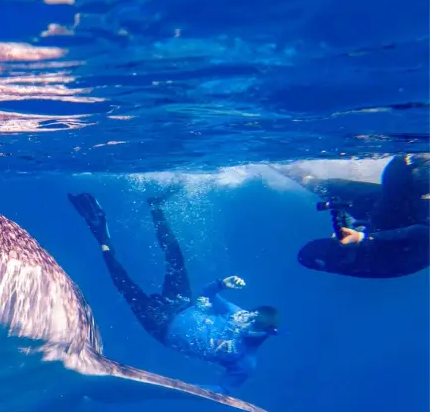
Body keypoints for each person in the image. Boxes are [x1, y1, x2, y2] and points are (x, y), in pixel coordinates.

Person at [68, 191, 281, 393]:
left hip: (161, 327)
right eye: (251, 317)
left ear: (266, 332)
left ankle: (101, 237)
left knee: (124, 283)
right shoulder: (236, 313)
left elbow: (226, 389)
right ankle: (156, 207)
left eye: (255, 324)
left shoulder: (245, 361)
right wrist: (221, 284)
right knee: (175, 258)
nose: (247, 321)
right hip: (181, 303)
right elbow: (207, 295)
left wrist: (186, 389)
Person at [286, 153, 430, 279]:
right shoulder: (390, 261)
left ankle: (298, 174)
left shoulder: (346, 258)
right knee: (398, 175)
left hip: (382, 221)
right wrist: (363, 238)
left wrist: (358, 232)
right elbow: (424, 234)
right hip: (410, 228)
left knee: (326, 188)